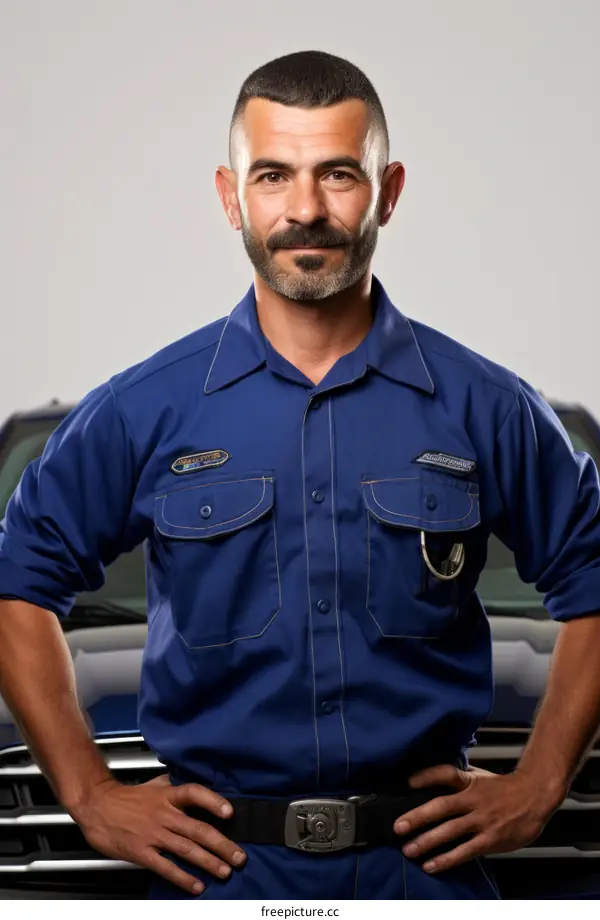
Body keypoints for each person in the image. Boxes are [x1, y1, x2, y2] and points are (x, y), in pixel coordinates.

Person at [1, 49, 600, 902]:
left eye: (339, 175)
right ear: (230, 196)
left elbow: (593, 570)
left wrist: (542, 783)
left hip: (421, 877)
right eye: (274, 175)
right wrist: (90, 796)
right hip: (222, 876)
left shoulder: (487, 408)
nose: (306, 210)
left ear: (388, 191)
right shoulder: (145, 411)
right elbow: (17, 579)